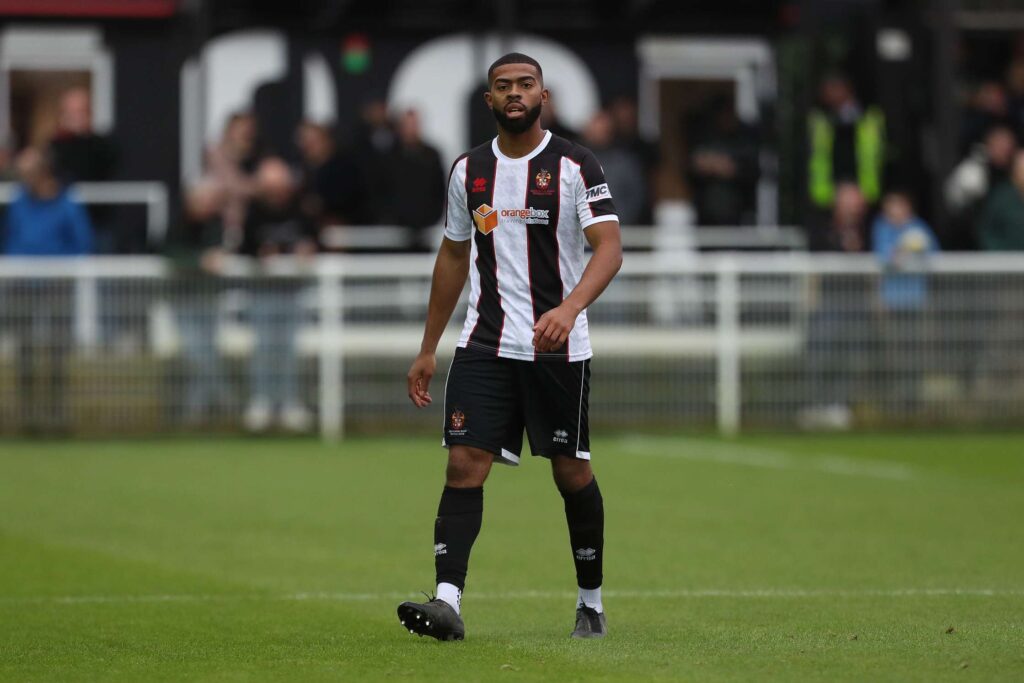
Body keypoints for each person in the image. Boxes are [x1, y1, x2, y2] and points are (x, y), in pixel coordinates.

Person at [399, 53, 623, 641]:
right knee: (463, 463)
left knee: (572, 473)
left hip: (558, 352)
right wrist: (428, 347)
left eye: (526, 85)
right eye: (504, 87)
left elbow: (609, 249)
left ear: (544, 96)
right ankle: (447, 602)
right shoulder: (468, 172)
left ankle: (591, 603)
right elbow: (452, 255)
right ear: (489, 100)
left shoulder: (576, 164)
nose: (515, 94)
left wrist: (569, 308)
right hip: (485, 345)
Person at [0, 147, 93, 433]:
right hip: (21, 286)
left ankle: (56, 416)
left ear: (43, 171)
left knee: (56, 353)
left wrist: (57, 268)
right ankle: (28, 416)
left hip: (56, 285)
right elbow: (10, 240)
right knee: (25, 352)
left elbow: (82, 243)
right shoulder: (18, 202)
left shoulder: (67, 204)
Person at [240, 157, 318, 433]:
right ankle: (261, 402)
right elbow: (244, 246)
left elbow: (315, 239)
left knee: (289, 349)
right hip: (262, 291)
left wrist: (306, 250)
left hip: (292, 291)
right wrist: (260, 254)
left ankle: (289, 402)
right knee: (263, 347)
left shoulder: (301, 208)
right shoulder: (254, 211)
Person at [164, 180, 233, 425]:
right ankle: (224, 403)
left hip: (207, 300)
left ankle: (196, 413)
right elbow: (168, 251)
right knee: (197, 354)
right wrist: (198, 261)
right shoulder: (178, 222)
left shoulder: (215, 224)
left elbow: (220, 251)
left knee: (207, 354)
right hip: (183, 300)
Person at [808, 74, 885, 216]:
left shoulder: (868, 115)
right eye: (827, 93)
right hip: (831, 188)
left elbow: (875, 154)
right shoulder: (821, 119)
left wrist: (865, 192)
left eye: (835, 90)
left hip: (862, 186)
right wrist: (829, 194)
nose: (831, 96)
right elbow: (817, 158)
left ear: (847, 90)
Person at [381, 109, 446, 250]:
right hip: (395, 231)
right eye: (408, 125)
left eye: (414, 124)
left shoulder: (432, 155)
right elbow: (383, 190)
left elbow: (439, 190)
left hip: (426, 229)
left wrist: (432, 219)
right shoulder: (388, 157)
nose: (411, 129)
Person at [945, 124, 1017, 250]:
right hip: (971, 244)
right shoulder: (973, 171)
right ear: (990, 143)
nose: (1006, 150)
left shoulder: (1010, 171)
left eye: (1008, 146)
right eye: (1001, 145)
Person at [294, 120, 366, 230]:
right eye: (304, 142)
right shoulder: (302, 169)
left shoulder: (345, 168)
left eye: (313, 142)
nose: (307, 147)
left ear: (326, 140)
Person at [977, 148, 1024, 250]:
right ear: (1014, 171)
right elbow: (986, 231)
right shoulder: (1000, 197)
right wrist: (999, 254)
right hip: (1005, 260)